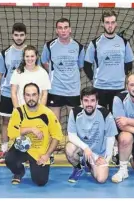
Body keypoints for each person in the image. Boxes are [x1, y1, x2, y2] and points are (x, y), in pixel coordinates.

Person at [41, 18, 85, 164]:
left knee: (77, 123)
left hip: (73, 91)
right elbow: (45, 62)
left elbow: (80, 65)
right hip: (56, 89)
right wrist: (55, 74)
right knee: (54, 123)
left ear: (70, 29)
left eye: (66, 27)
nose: (63, 30)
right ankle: (50, 153)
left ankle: (79, 151)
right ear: (56, 30)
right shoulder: (50, 45)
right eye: (60, 28)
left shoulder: (78, 46)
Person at [5, 83, 63, 186]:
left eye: (34, 94)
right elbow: (11, 133)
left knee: (40, 182)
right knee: (9, 159)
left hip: (39, 152)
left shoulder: (47, 113)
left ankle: (34, 165)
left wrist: (47, 155)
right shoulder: (18, 112)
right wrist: (30, 129)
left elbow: (57, 136)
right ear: (23, 96)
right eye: (28, 95)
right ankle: (19, 172)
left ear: (39, 96)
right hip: (22, 148)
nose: (31, 98)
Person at [84, 10, 134, 112]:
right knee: (100, 119)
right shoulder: (95, 43)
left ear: (116, 23)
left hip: (118, 88)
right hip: (100, 88)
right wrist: (94, 80)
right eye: (107, 22)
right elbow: (87, 65)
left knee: (117, 120)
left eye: (112, 22)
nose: (110, 25)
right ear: (103, 24)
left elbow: (129, 64)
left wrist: (120, 76)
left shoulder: (124, 42)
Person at [65, 87, 117, 183]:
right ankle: (78, 167)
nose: (89, 104)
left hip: (98, 154)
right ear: (81, 101)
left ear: (97, 102)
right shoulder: (75, 112)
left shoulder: (106, 114)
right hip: (83, 150)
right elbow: (71, 135)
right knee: (69, 149)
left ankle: (89, 164)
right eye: (86, 100)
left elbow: (111, 138)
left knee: (101, 179)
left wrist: (106, 159)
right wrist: (85, 147)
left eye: (92, 100)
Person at [0, 23, 27, 163]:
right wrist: (5, 87)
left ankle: (26, 151)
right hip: (8, 94)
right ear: (12, 35)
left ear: (25, 36)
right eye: (16, 35)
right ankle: (3, 149)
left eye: (21, 35)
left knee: (25, 122)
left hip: (25, 95)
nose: (19, 38)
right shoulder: (5, 53)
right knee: (6, 121)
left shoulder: (30, 52)